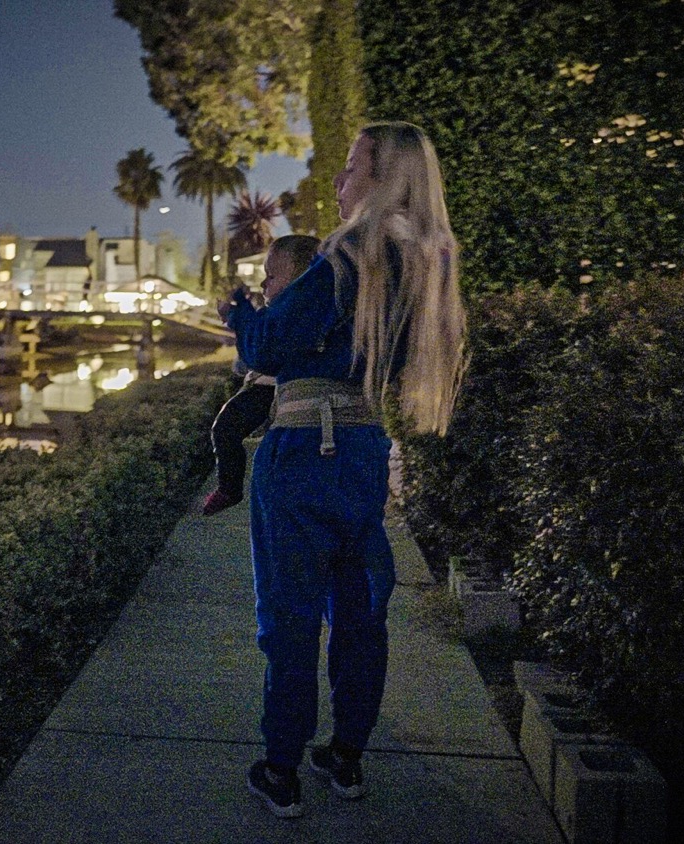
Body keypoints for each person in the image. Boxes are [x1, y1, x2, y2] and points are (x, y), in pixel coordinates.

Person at [220, 121, 467, 818]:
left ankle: (281, 767)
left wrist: (240, 313)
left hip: (302, 449)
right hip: (362, 449)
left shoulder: (346, 256)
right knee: (360, 614)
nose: (339, 180)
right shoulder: (422, 264)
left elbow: (268, 345)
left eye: (352, 166)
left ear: (384, 180)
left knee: (291, 617)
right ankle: (346, 756)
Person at [201, 234, 321, 516]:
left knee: (226, 428)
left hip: (272, 390)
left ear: (301, 279)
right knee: (226, 429)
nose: (264, 284)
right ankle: (229, 487)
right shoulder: (283, 311)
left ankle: (229, 488)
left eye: (272, 277)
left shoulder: (296, 312)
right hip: (269, 389)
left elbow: (262, 351)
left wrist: (238, 316)